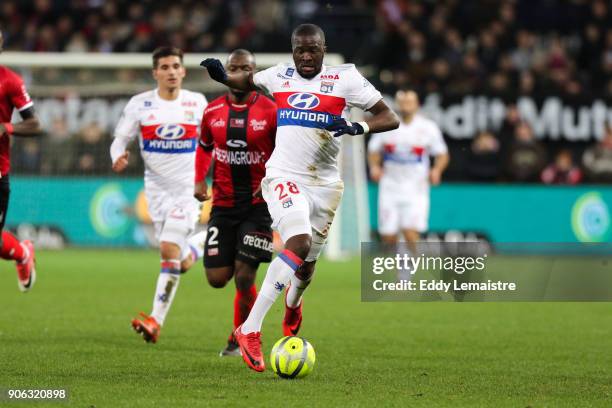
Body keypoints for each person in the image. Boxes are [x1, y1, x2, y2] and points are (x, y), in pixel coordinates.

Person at [201, 23, 399, 372]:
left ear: (324, 48)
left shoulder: (347, 78)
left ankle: (293, 303)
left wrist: (359, 127)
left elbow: (389, 116)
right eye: (300, 50)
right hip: (282, 176)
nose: (306, 56)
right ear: (292, 49)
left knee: (305, 268)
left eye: (313, 49)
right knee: (299, 241)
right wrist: (223, 78)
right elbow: (247, 83)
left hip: (325, 185)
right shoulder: (279, 75)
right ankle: (249, 329)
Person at [110, 47, 208, 343]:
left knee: (167, 249)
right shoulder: (140, 104)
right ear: (155, 73)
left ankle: (155, 320)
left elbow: (214, 139)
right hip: (156, 193)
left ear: (183, 71)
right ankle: (207, 240)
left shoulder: (197, 102)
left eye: (175, 66)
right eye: (164, 67)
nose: (170, 71)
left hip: (187, 191)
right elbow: (119, 139)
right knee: (179, 261)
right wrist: (117, 156)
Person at [194, 49, 277, 356]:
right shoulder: (212, 111)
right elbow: (204, 147)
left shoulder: (270, 111)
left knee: (245, 276)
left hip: (260, 205)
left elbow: (285, 152)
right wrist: (199, 179)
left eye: (246, 68)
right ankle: (243, 329)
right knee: (217, 279)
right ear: (227, 71)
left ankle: (242, 336)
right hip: (223, 205)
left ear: (254, 74)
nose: (240, 72)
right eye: (234, 67)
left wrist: (270, 182)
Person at [368, 90, 449, 267]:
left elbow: (442, 154)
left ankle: (406, 272)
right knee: (388, 236)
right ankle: (405, 262)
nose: (406, 105)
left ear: (417, 105)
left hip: (416, 189)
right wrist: (375, 167)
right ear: (398, 105)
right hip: (390, 187)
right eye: (403, 102)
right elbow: (374, 150)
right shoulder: (387, 124)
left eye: (410, 102)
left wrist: (436, 170)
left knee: (410, 232)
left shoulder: (428, 128)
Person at [0, 29, 42, 292]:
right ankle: (22, 252)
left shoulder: (10, 81)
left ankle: (22, 254)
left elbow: (35, 124)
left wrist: (7, 127)